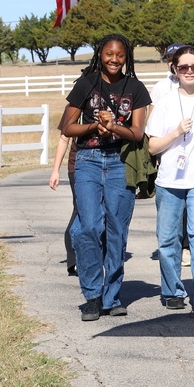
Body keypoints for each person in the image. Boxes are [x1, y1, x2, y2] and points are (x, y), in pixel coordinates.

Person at [61, 34, 151, 322]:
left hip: (120, 162)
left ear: (127, 57)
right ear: (100, 54)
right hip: (87, 161)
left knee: (117, 230)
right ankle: (91, 295)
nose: (114, 60)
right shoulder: (86, 84)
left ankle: (111, 297)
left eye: (120, 55)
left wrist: (113, 127)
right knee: (88, 227)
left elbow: (137, 133)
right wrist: (93, 127)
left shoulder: (135, 88)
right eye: (109, 54)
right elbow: (67, 127)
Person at [146, 45, 194, 317]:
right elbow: (152, 147)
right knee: (168, 239)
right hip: (169, 181)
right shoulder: (164, 104)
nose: (189, 71)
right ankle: (172, 291)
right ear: (174, 70)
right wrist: (177, 132)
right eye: (183, 67)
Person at [48, 111, 79, 276]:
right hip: (77, 166)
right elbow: (64, 138)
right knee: (80, 210)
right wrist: (55, 171)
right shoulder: (72, 107)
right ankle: (73, 259)